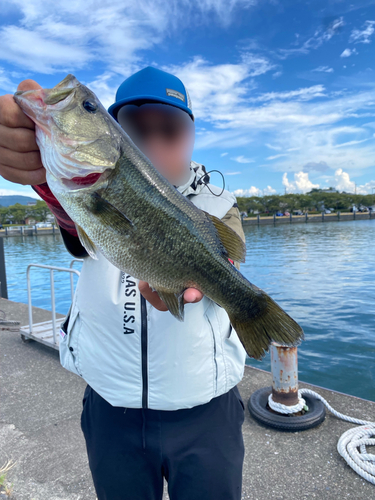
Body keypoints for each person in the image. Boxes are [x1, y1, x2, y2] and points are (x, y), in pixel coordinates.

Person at [0, 66, 247, 500]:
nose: (154, 143)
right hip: (111, 410)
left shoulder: (218, 205)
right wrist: (39, 171)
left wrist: (209, 280)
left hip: (208, 413)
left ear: (190, 136)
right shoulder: (85, 184)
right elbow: (75, 219)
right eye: (136, 129)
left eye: (169, 131)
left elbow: (227, 258)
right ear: (115, 134)